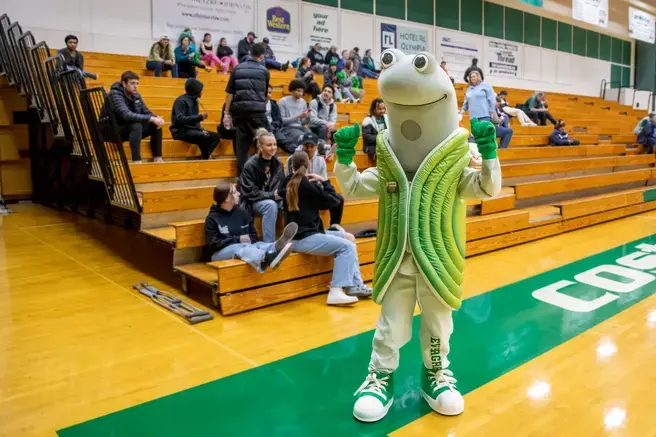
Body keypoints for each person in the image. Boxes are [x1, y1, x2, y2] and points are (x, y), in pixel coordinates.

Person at [280, 151, 372, 305]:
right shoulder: (306, 185)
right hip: (304, 237)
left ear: (291, 165)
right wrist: (324, 181)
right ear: (309, 164)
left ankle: (355, 285)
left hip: (300, 236)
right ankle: (336, 291)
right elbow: (334, 201)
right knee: (347, 247)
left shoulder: (286, 182)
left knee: (349, 237)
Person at [205, 181, 298, 271]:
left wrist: (249, 240)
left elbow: (254, 238)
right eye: (235, 192)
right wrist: (237, 239)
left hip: (245, 248)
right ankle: (266, 258)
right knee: (242, 246)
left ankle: (276, 246)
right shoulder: (212, 218)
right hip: (219, 254)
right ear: (227, 198)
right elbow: (214, 245)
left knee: (258, 245)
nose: (239, 194)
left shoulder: (242, 213)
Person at [223, 43, 270, 175]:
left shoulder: (237, 69)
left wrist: (226, 113)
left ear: (250, 52)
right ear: (261, 57)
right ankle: (263, 175)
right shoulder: (264, 71)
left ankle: (243, 179)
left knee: (242, 148)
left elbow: (229, 94)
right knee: (265, 144)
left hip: (240, 112)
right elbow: (265, 96)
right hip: (258, 113)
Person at [287, 133, 345, 228]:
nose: (309, 149)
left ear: (316, 147)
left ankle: (335, 227)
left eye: (312, 146)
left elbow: (324, 182)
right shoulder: (292, 159)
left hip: (315, 192)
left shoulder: (321, 160)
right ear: (302, 146)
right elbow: (288, 181)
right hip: (299, 195)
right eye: (306, 146)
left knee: (339, 199)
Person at [238, 129, 285, 243]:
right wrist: (272, 195)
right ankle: (269, 244)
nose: (273, 147)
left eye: (274, 144)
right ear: (260, 146)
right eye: (269, 145)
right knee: (271, 205)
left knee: (291, 200)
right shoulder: (251, 164)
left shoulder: (278, 164)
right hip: (252, 201)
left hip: (271, 197)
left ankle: (296, 237)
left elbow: (281, 184)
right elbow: (249, 192)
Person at [108, 71, 164, 163]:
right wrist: (151, 118)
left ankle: (157, 158)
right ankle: (137, 161)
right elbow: (126, 114)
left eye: (137, 83)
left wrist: (157, 118)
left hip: (129, 129)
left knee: (156, 125)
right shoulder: (115, 94)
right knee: (136, 125)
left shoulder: (137, 96)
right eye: (132, 83)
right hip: (114, 129)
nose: (135, 86)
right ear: (124, 84)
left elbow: (147, 112)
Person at [459, 71, 512, 149]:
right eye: (471, 77)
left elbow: (492, 100)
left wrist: (491, 111)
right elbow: (466, 103)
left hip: (484, 115)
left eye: (474, 76)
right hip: (473, 117)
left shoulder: (486, 86)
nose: (472, 78)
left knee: (485, 136)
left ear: (478, 77)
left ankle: (495, 153)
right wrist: (461, 112)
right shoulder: (469, 89)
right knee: (477, 136)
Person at [170, 78, 220, 160]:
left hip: (193, 129)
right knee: (203, 136)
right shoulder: (180, 101)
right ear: (195, 91)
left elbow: (195, 122)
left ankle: (205, 155)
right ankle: (206, 157)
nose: (201, 92)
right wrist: (200, 117)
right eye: (200, 90)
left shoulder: (195, 101)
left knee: (216, 136)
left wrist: (200, 129)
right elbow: (179, 119)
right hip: (181, 131)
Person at [277, 79, 314, 153]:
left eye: (302, 91)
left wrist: (307, 117)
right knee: (302, 137)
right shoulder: (283, 101)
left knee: (311, 137)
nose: (300, 93)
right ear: (292, 90)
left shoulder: (303, 102)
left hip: (300, 127)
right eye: (298, 91)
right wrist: (298, 116)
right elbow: (282, 121)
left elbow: (302, 123)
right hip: (287, 128)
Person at [265, 84, 292, 151]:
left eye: (270, 93)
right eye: (266, 92)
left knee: (285, 141)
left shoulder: (273, 104)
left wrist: (273, 125)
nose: (268, 95)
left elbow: (279, 120)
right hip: (262, 129)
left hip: (273, 128)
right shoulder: (256, 104)